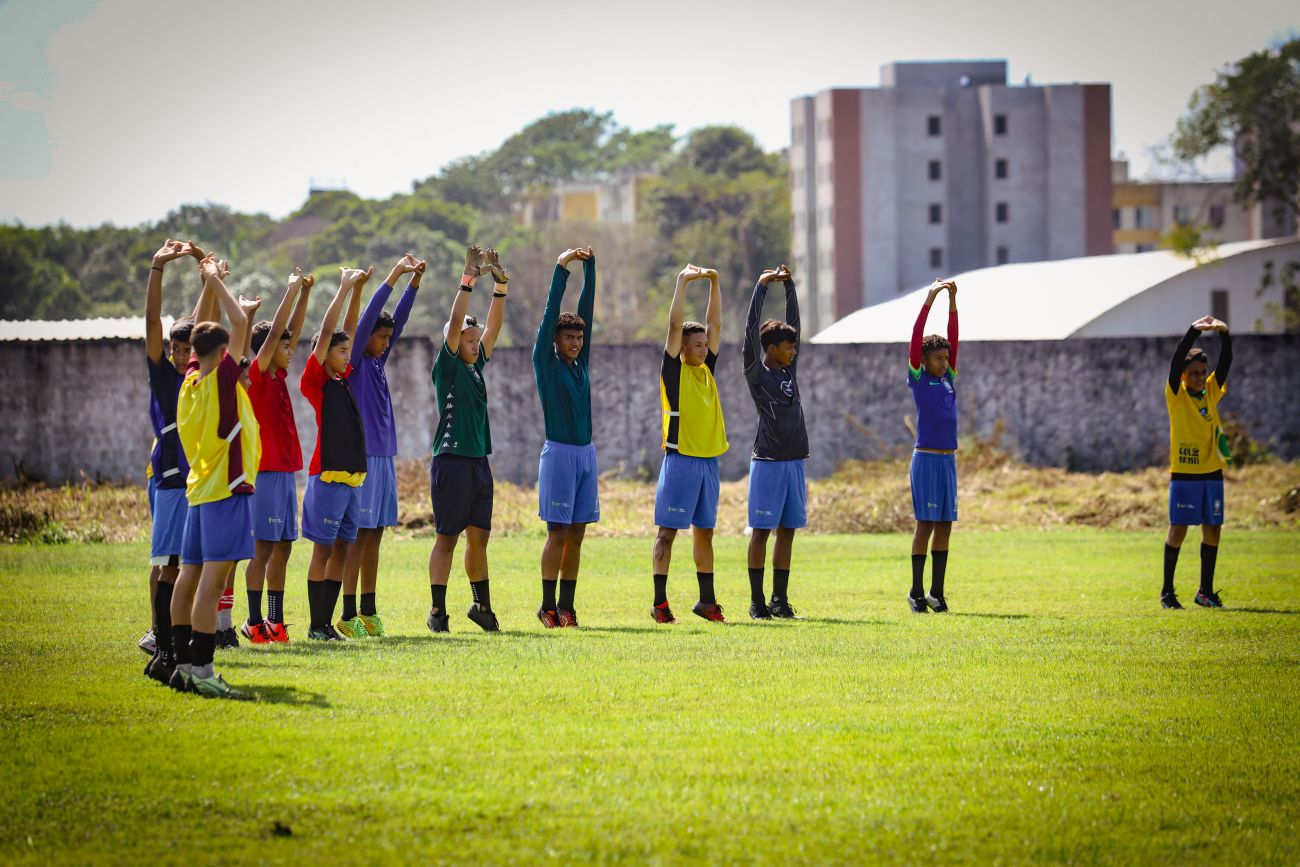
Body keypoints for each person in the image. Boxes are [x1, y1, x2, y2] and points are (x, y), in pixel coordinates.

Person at [167, 253, 260, 699]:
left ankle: (181, 665)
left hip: (200, 491)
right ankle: (203, 669)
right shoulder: (221, 379)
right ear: (224, 355)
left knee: (190, 575)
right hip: (225, 489)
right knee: (212, 581)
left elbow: (203, 332)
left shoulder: (190, 381)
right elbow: (238, 322)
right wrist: (213, 280)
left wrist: (208, 284)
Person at [339, 253, 425, 638]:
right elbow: (369, 317)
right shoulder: (356, 362)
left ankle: (369, 611)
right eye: (381, 337)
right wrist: (394, 275)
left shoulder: (377, 360)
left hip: (385, 458)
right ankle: (347, 613)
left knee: (375, 533)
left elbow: (399, 321)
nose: (386, 342)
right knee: (359, 534)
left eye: (388, 339)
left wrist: (415, 283)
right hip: (364, 458)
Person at [427, 246, 508, 633]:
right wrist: (469, 280)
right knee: (447, 539)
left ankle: (481, 606)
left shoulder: (476, 367)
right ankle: (437, 612)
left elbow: (493, 327)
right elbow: (457, 319)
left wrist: (501, 286)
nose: (476, 345)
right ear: (454, 343)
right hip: (451, 462)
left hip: (478, 462)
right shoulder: (448, 367)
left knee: (480, 538)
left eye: (477, 341)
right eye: (469, 341)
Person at [142, 238, 207, 683]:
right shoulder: (164, 376)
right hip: (169, 482)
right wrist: (158, 268)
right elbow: (152, 320)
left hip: (195, 482)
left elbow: (203, 323)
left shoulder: (197, 377)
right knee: (168, 565)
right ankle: (162, 644)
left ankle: (172, 645)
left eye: (188, 349)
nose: (183, 356)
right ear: (168, 350)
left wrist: (206, 270)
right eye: (176, 349)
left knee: (186, 566)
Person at [651, 264, 728, 624]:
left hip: (708, 461)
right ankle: (659, 603)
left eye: (704, 345)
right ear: (681, 348)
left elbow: (715, 325)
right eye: (696, 345)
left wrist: (714, 282)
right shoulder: (674, 370)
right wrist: (682, 282)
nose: (703, 349)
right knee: (667, 533)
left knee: (705, 533)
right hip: (680, 459)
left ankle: (706, 602)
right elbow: (673, 326)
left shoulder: (706, 369)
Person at [241, 268, 314, 643]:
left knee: (283, 547)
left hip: (285, 473)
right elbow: (276, 337)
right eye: (283, 348)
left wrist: (304, 295)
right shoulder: (256, 376)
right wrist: (290, 291)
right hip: (265, 473)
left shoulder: (279, 376)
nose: (290, 351)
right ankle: (253, 621)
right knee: (263, 547)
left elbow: (292, 332)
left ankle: (275, 619)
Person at [300, 266, 372, 641]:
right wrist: (342, 288)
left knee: (343, 549)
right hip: (327, 478)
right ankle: (316, 625)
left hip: (352, 480)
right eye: (340, 352)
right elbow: (330, 330)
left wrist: (358, 290)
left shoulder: (343, 378)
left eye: (347, 352)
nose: (347, 356)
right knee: (323, 550)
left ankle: (326, 625)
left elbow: (350, 331)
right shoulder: (316, 382)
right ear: (323, 354)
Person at [532, 245, 597, 628]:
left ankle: (567, 607)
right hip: (558, 455)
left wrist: (591, 267)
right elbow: (549, 314)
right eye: (568, 337)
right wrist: (562, 268)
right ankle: (547, 606)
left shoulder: (581, 363)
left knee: (577, 534)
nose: (575, 343)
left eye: (578, 337)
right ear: (556, 340)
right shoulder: (545, 362)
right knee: (557, 532)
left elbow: (588, 308)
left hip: (586, 455)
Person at [742, 264, 807, 620]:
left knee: (788, 531)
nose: (793, 351)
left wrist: (790, 286)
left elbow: (794, 322)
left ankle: (780, 601)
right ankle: (757, 602)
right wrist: (762, 287)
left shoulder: (789, 370)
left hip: (795, 461)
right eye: (787, 347)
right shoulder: (757, 373)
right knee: (762, 532)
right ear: (770, 348)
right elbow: (750, 331)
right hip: (768, 463)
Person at [1161, 315, 1232, 610]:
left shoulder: (1210, 393)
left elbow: (1226, 363)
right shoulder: (1176, 396)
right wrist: (1194, 330)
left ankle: (1205, 592)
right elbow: (1176, 360)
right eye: (1194, 373)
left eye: (1203, 372)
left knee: (1212, 529)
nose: (1200, 377)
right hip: (1185, 474)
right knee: (1178, 530)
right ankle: (1167, 593)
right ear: (1183, 376)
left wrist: (1224, 333)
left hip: (1212, 472)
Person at [906, 278, 958, 614]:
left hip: (948, 461)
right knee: (925, 525)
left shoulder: (948, 379)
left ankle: (937, 593)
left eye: (946, 357)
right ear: (923, 360)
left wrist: (952, 301)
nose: (944, 362)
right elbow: (916, 335)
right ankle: (916, 592)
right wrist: (931, 298)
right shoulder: (918, 377)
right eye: (938, 358)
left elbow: (954, 336)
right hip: (925, 459)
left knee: (945, 526)